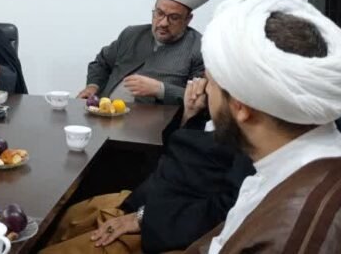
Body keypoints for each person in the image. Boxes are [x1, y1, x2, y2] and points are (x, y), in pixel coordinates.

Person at [184, 0, 341, 253]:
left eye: (210, 81)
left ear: (240, 106)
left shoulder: (292, 233)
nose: (206, 91)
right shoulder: (293, 167)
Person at [41, 78, 253, 254]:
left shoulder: (250, 142)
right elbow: (179, 154)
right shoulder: (211, 117)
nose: (202, 87)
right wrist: (189, 113)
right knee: (61, 221)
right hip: (143, 199)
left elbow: (225, 211)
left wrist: (143, 218)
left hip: (162, 226)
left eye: (211, 82)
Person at [77, 0, 208, 105]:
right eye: (159, 13)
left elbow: (201, 99)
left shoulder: (199, 49)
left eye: (173, 17)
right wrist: (93, 86)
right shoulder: (131, 34)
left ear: (188, 19)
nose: (163, 23)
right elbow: (101, 63)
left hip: (155, 118)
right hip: (105, 111)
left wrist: (161, 90)